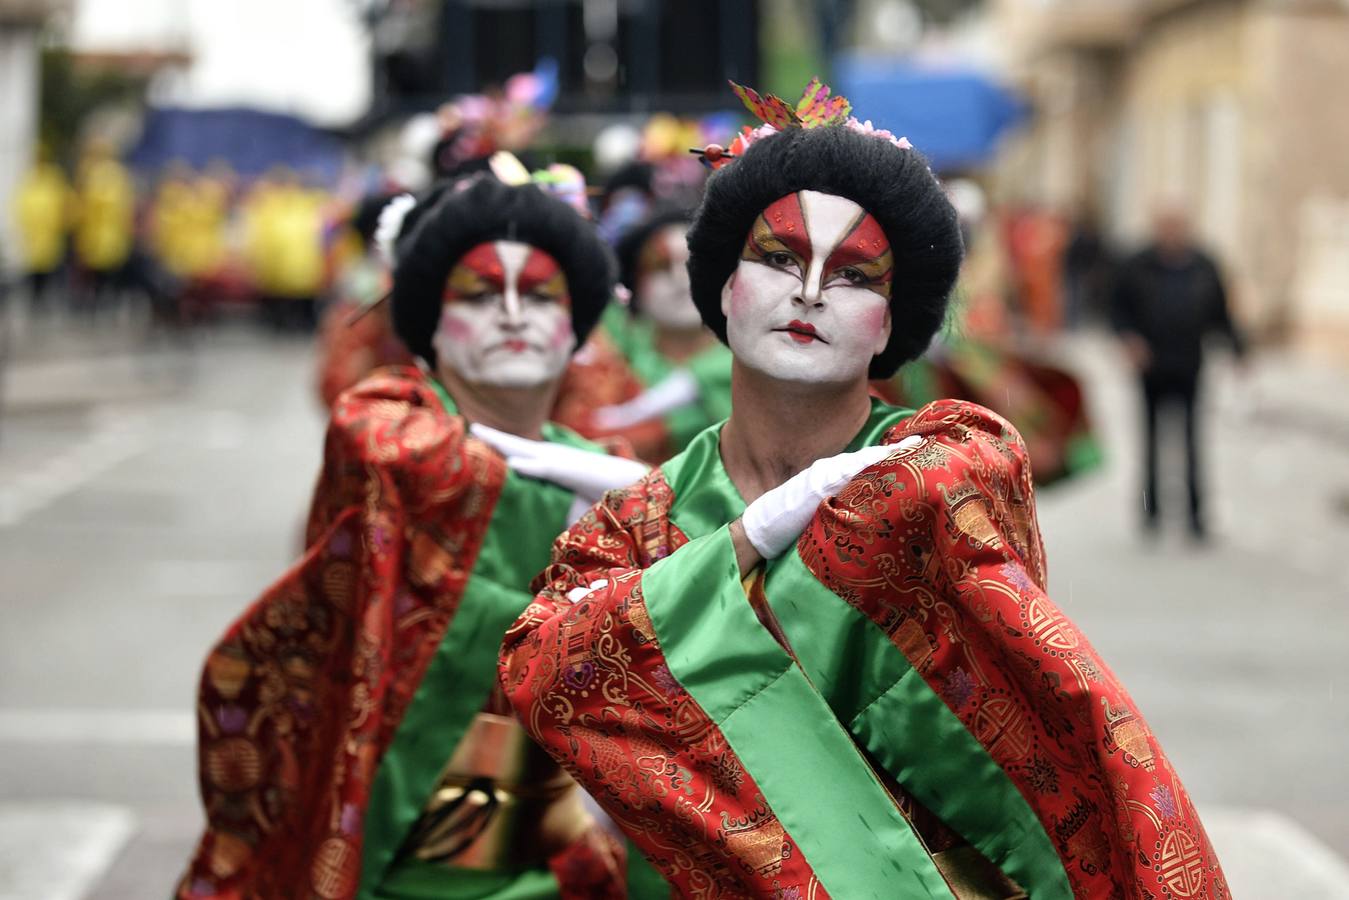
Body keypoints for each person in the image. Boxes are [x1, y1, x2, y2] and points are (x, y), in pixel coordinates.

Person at [500, 81, 1228, 898]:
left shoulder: (944, 467)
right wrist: (744, 542)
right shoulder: (632, 522)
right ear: (725, 288)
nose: (808, 291)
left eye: (852, 275)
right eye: (776, 259)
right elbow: (542, 670)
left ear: (891, 322)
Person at [178, 172, 652, 900]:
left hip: (557, 846)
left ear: (579, 327)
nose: (512, 314)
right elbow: (387, 451)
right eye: (478, 294)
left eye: (541, 296)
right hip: (399, 838)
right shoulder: (386, 422)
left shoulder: (613, 481)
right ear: (430, 319)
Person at [553, 207, 733, 462]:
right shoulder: (610, 357)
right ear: (636, 282)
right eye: (660, 266)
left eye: (693, 264)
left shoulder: (754, 358)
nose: (680, 280)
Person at [1112, 204, 1245, 540]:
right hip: (1151, 367)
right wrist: (1128, 339)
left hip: (1189, 364)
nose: (1172, 232)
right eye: (1165, 225)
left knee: (1191, 441)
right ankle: (1151, 513)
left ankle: (1195, 517)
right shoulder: (1137, 264)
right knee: (1151, 441)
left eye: (1178, 225)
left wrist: (1238, 349)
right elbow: (1117, 309)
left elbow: (1221, 312)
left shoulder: (1204, 265)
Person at [12, 149, 72, 313]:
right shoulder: (31, 179)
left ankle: (43, 300)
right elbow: (21, 204)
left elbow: (64, 204)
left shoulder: (52, 179)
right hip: (34, 235)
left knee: (48, 270)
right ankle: (35, 300)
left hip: (49, 234)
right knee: (34, 271)